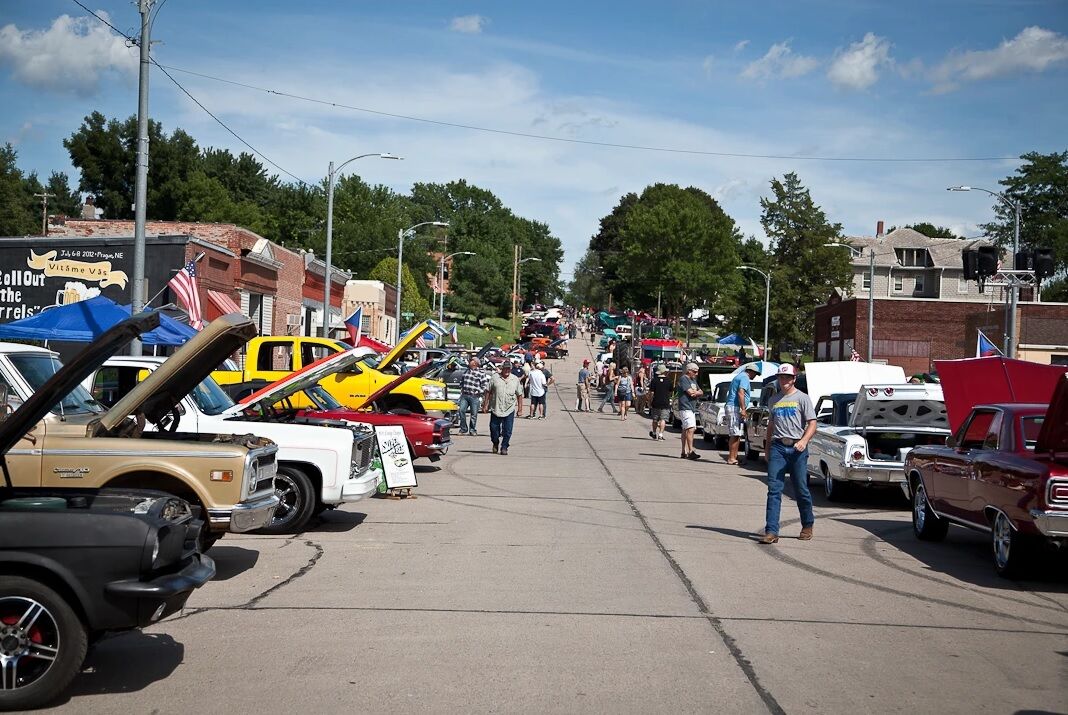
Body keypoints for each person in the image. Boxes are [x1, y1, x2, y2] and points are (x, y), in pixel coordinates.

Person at [760, 364, 817, 544]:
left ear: (793, 379)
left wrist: (803, 441)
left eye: (787, 377)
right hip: (778, 447)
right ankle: (771, 531)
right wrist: (767, 448)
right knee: (774, 489)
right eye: (781, 377)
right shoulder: (774, 400)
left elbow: (812, 423)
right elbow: (771, 425)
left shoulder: (803, 398)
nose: (783, 381)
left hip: (797, 449)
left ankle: (807, 524)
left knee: (800, 489)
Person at [725, 364, 760, 465]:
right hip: (734, 407)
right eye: (755, 373)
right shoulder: (744, 377)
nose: (755, 376)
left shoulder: (740, 376)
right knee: (735, 433)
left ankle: (735, 457)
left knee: (737, 434)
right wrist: (743, 409)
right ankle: (731, 458)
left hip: (733, 406)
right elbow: (741, 392)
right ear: (750, 371)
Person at [488, 361, 524, 455]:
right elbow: (488, 391)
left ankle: (504, 447)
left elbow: (519, 395)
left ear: (511, 369)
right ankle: (495, 443)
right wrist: (485, 404)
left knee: (508, 430)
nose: (507, 370)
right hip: (496, 408)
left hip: (509, 409)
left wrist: (520, 409)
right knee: (493, 429)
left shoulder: (515, 379)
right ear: (502, 368)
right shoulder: (495, 378)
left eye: (509, 369)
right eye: (505, 368)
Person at [457, 356, 490, 436]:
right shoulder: (466, 371)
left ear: (475, 363)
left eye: (471, 360)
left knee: (474, 414)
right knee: (461, 411)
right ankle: (463, 429)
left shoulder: (481, 373)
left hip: (474, 396)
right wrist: (461, 388)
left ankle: (472, 430)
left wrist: (479, 392)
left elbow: (485, 385)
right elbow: (462, 382)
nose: (470, 362)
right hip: (464, 395)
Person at [677, 362, 703, 460]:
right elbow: (690, 392)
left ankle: (683, 451)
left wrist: (696, 393)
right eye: (695, 372)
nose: (696, 374)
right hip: (685, 407)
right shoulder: (684, 379)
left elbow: (700, 391)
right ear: (689, 371)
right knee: (691, 428)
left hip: (691, 408)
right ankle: (690, 451)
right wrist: (696, 393)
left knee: (685, 429)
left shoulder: (693, 380)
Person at [648, 365, 672, 440]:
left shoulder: (654, 380)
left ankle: (654, 433)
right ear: (664, 371)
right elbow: (671, 391)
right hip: (665, 402)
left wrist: (649, 401)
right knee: (663, 419)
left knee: (655, 419)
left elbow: (651, 393)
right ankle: (661, 434)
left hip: (656, 402)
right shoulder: (668, 381)